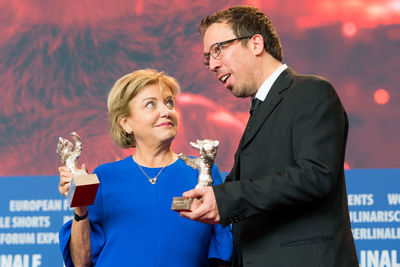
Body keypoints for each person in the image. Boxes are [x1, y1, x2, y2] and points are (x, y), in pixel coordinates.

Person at [179, 6, 359, 267]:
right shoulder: (261, 110)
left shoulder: (311, 91)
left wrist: (226, 199)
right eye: (208, 58)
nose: (213, 65)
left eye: (218, 49)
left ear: (255, 44)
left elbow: (315, 175)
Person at [58, 69, 233, 267]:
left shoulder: (203, 172)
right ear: (126, 123)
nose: (166, 111)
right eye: (151, 104)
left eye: (169, 102)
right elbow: (81, 262)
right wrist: (80, 204)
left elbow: (223, 253)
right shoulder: (104, 177)